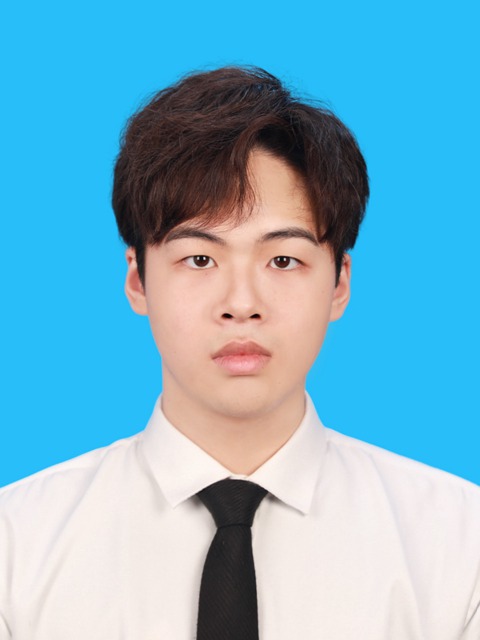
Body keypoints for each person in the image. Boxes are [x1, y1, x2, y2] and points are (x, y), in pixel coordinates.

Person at [0, 66, 479, 640]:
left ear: (340, 284)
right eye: (200, 259)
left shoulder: (458, 543)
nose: (242, 304)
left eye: (283, 260)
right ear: (137, 280)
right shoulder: (17, 544)